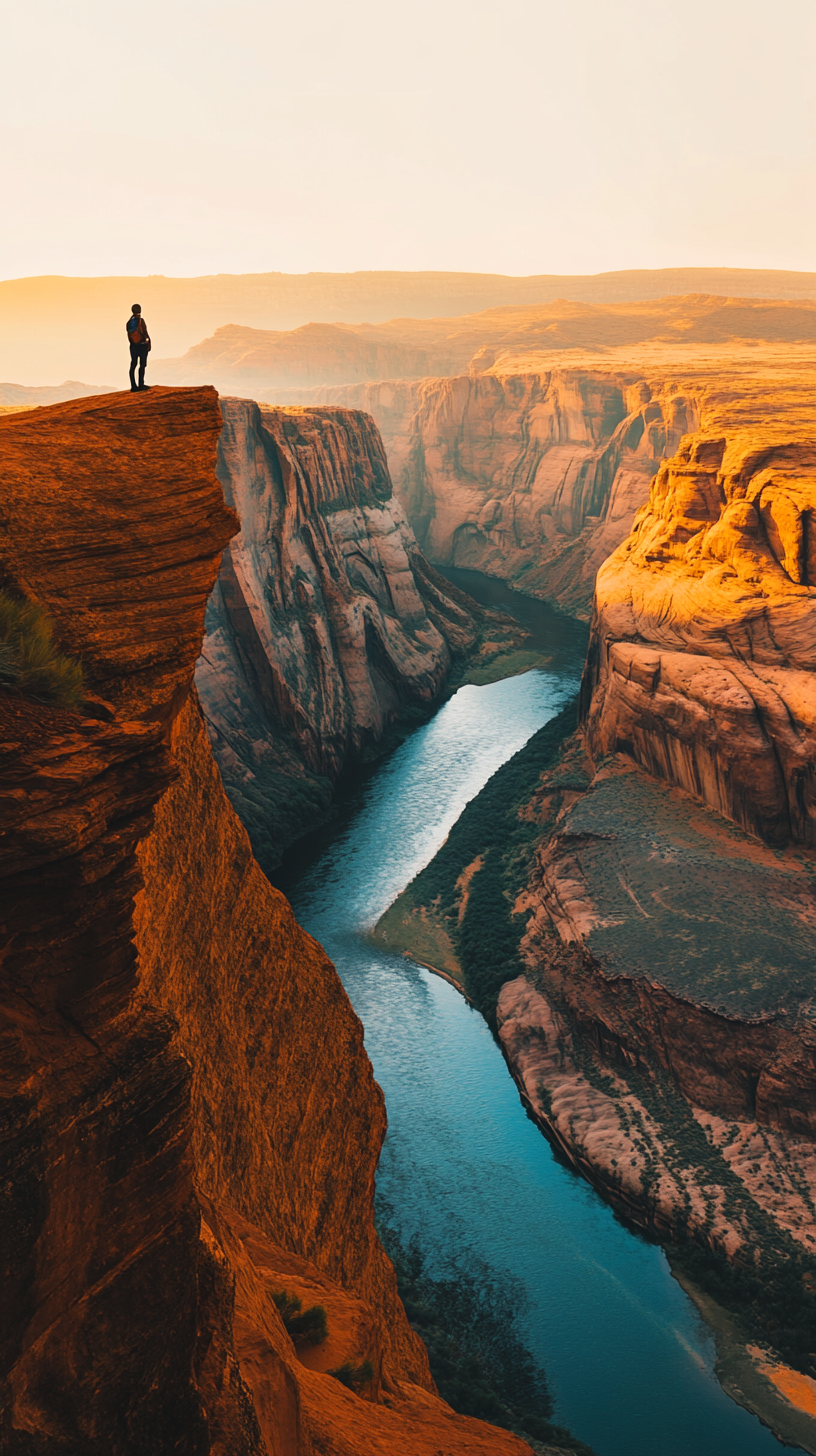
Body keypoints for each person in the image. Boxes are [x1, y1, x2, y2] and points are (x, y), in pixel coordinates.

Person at [126, 304, 151, 391]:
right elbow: (145, 332)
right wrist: (149, 343)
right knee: (142, 365)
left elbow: (129, 336)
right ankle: (141, 385)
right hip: (142, 345)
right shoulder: (141, 321)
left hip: (133, 346)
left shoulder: (129, 323)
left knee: (133, 365)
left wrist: (133, 344)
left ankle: (133, 386)